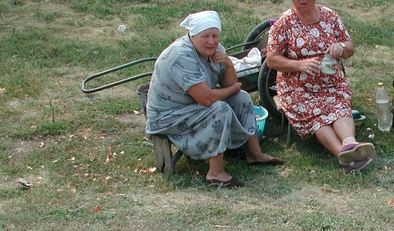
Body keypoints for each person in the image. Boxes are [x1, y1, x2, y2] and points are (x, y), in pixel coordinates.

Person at [145, 11, 284, 188]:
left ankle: (254, 153)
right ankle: (215, 172)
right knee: (220, 109)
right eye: (205, 36)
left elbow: (232, 86)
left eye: (215, 36)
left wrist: (227, 64)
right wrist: (232, 88)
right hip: (170, 115)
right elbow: (206, 98)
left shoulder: (216, 50)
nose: (211, 41)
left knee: (241, 97)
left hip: (193, 105)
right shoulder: (181, 56)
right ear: (193, 36)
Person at [266, 0, 375, 172]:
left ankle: (349, 142)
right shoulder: (284, 23)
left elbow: (350, 48)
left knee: (339, 107)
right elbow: (272, 60)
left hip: (331, 82)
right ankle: (344, 156)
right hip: (298, 88)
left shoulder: (330, 16)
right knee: (318, 117)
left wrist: (341, 46)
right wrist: (299, 65)